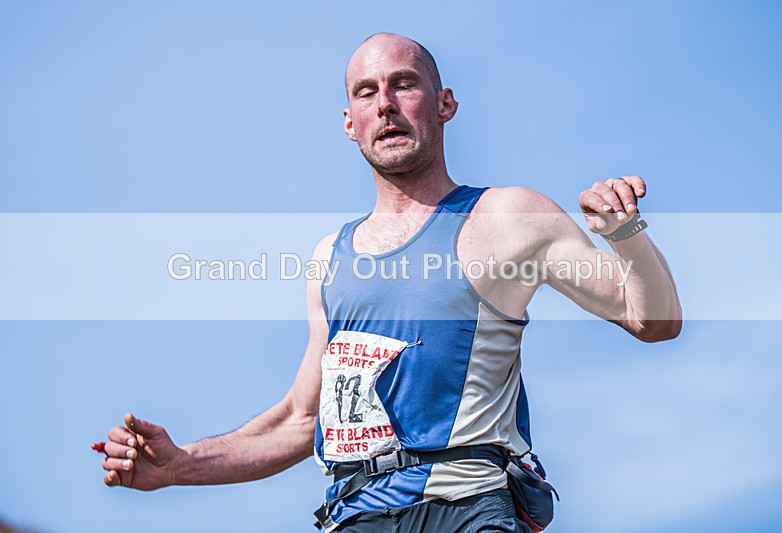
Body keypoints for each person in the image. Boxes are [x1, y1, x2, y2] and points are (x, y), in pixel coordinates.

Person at [99, 33, 681, 532]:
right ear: (349, 123)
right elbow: (303, 421)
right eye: (366, 91)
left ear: (444, 103)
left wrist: (624, 232)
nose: (386, 105)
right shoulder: (330, 258)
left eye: (404, 84)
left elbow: (653, 321)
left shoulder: (508, 217)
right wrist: (179, 465)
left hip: (469, 506)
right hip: (356, 514)